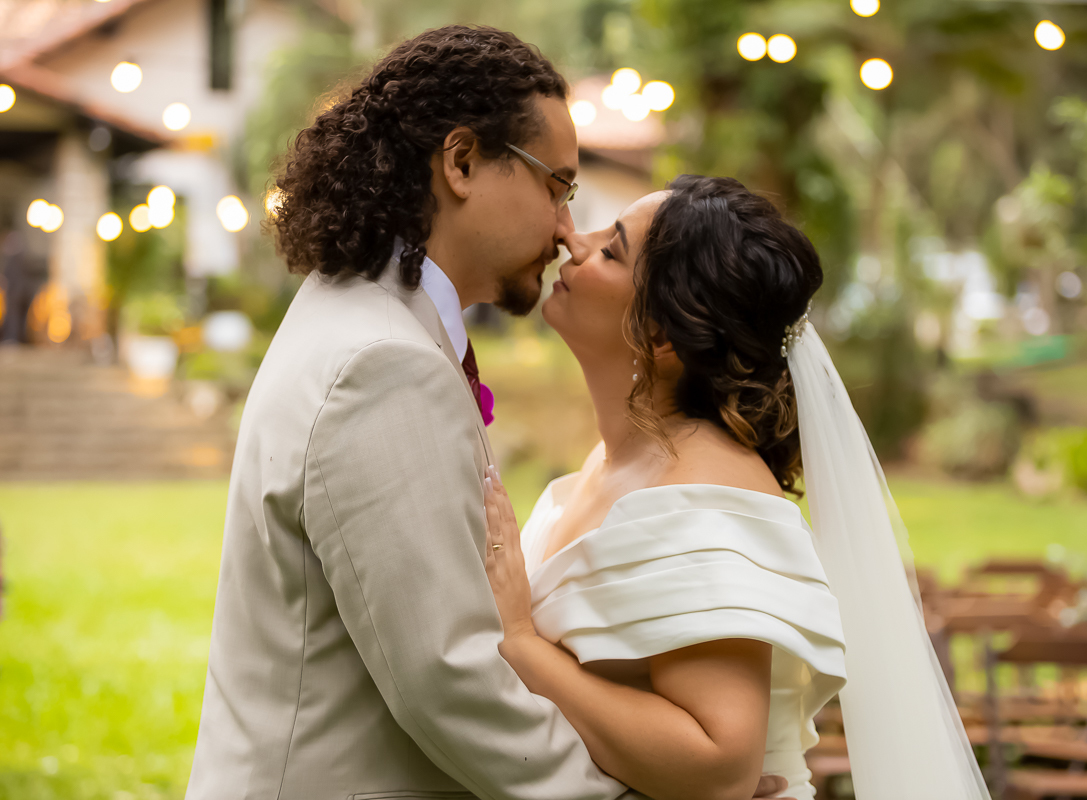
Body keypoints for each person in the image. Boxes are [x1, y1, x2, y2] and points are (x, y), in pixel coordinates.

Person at [186, 25, 786, 800]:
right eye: (557, 187)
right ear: (462, 163)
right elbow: (449, 680)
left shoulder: (360, 317)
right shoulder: (384, 362)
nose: (568, 230)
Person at [482, 176, 992, 800]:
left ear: (662, 336)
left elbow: (718, 766)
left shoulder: (704, 491)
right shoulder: (614, 463)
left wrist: (525, 647)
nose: (572, 241)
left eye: (612, 251)